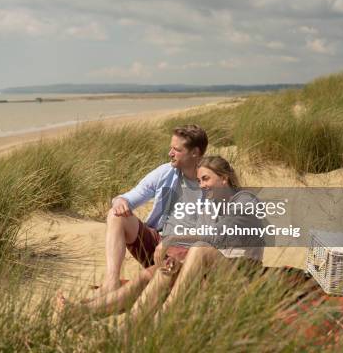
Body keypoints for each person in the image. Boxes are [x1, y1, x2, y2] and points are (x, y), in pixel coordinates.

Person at [56, 155, 265, 319]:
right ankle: (87, 313)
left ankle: (165, 315)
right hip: (209, 271)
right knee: (156, 272)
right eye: (200, 180)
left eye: (206, 179)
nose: (201, 185)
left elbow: (216, 237)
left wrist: (171, 240)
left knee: (198, 250)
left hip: (239, 275)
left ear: (224, 178)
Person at [101, 124, 208, 294]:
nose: (170, 153)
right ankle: (112, 282)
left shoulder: (211, 181)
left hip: (187, 252)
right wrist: (120, 201)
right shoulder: (166, 172)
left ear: (195, 152)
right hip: (155, 245)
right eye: (170, 148)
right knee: (116, 214)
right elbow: (132, 196)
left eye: (176, 149)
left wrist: (172, 240)